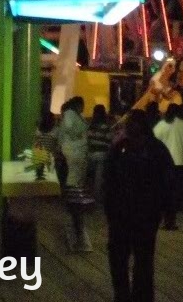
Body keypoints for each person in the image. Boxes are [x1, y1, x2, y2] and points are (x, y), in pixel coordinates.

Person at [104, 109, 173, 302]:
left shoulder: (121, 150)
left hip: (127, 214)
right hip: (143, 214)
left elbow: (109, 181)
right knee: (141, 260)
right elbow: (167, 180)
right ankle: (138, 296)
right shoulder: (155, 149)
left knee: (122, 259)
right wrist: (167, 210)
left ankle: (124, 295)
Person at [59, 96, 91, 250]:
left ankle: (74, 201)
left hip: (75, 151)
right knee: (74, 178)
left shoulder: (71, 115)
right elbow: (72, 130)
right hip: (74, 151)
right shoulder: (71, 115)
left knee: (74, 177)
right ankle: (74, 202)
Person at [153, 103, 183, 228]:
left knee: (163, 191)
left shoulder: (162, 125)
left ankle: (163, 217)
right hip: (181, 161)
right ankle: (171, 217)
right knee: (175, 191)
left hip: (165, 162)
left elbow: (154, 140)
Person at [87, 103, 112, 201]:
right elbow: (110, 139)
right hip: (102, 154)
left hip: (91, 153)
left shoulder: (91, 126)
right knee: (99, 178)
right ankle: (97, 197)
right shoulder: (105, 127)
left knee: (91, 176)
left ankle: (89, 195)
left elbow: (88, 139)